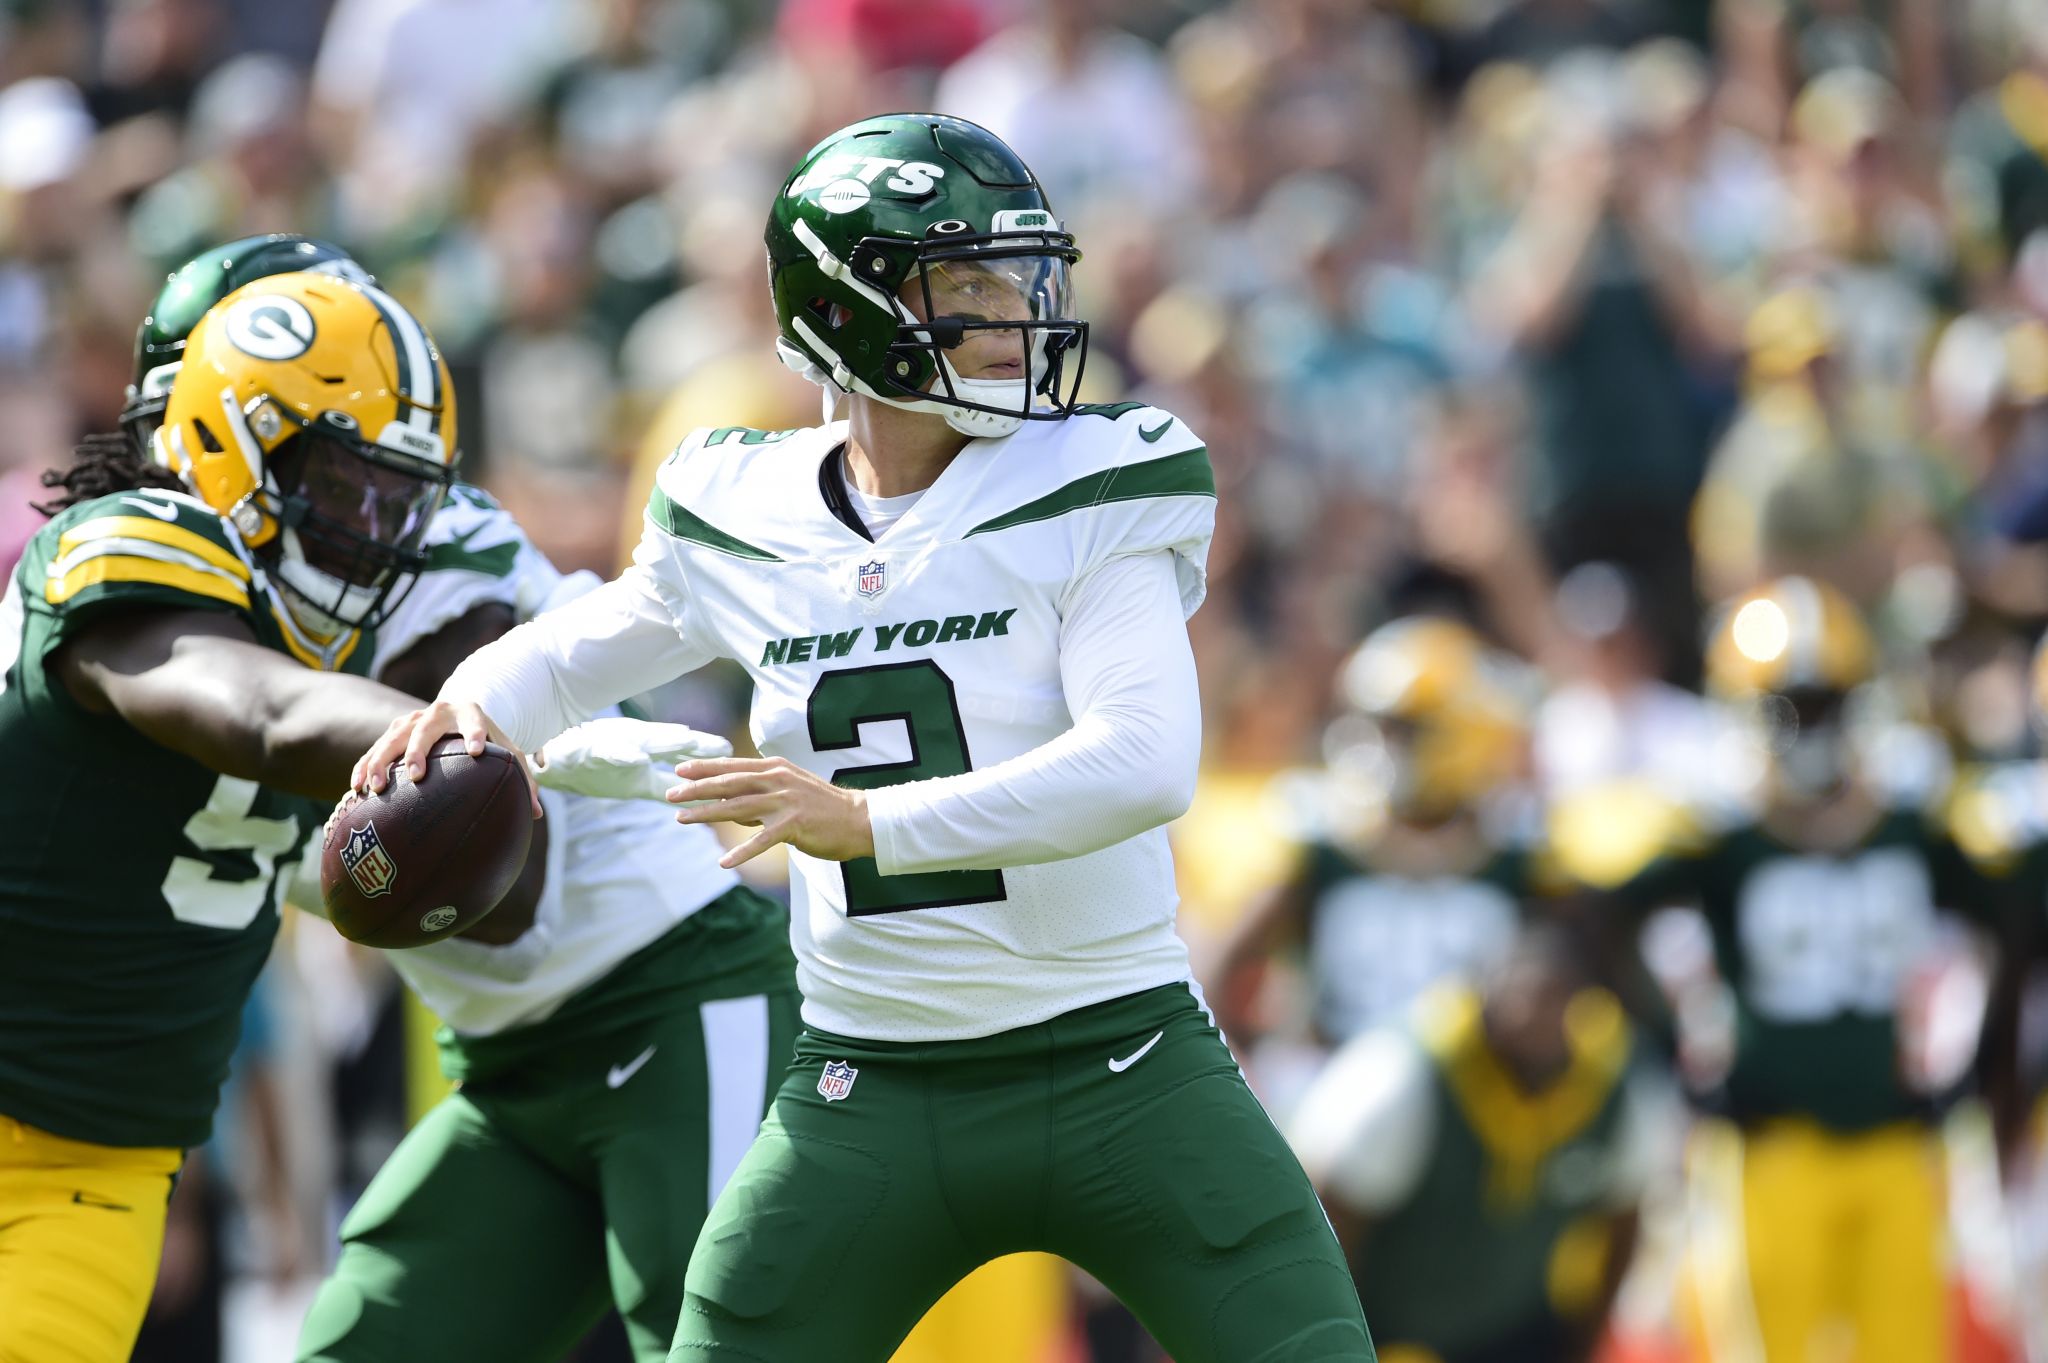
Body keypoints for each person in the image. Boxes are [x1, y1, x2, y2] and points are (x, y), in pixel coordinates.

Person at [358, 112, 1376, 1362]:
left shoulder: (1094, 476)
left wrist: (862, 821)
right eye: (965, 284)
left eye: (1016, 276)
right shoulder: (743, 507)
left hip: (1121, 1056)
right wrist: (475, 705)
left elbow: (1142, 760)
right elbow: (595, 637)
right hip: (870, 1085)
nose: (1013, 313)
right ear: (844, 313)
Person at [96, 230, 807, 1363]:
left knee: (727, 1349)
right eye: (338, 476)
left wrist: (269, 811)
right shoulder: (168, 599)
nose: (375, 518)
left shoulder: (436, 573)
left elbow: (484, 885)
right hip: (508, 1057)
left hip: (679, 995)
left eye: (379, 477)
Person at [0, 267, 462, 1363]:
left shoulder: (331, 654)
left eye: (397, 505)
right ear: (238, 443)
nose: (371, 533)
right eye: (347, 489)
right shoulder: (133, 545)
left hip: (97, 1172)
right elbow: (248, 710)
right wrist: (482, 728)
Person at [1585, 576, 1998, 1363]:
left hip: (1898, 1141)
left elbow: (2011, 914)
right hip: (1769, 1146)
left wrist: (1976, 1061)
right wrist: (1670, 1047)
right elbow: (1598, 909)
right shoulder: (1722, 828)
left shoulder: (1913, 817)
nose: (1810, 729)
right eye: (1790, 706)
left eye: (1826, 703)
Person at [1288, 925, 1660, 1363]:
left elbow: (1625, 1219)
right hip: (1387, 1332)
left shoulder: (1616, 1086)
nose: (1533, 1016)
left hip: (1513, 1330)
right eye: (1521, 996)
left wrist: (1582, 1347)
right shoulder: (1402, 1078)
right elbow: (1326, 1223)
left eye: (1554, 997)